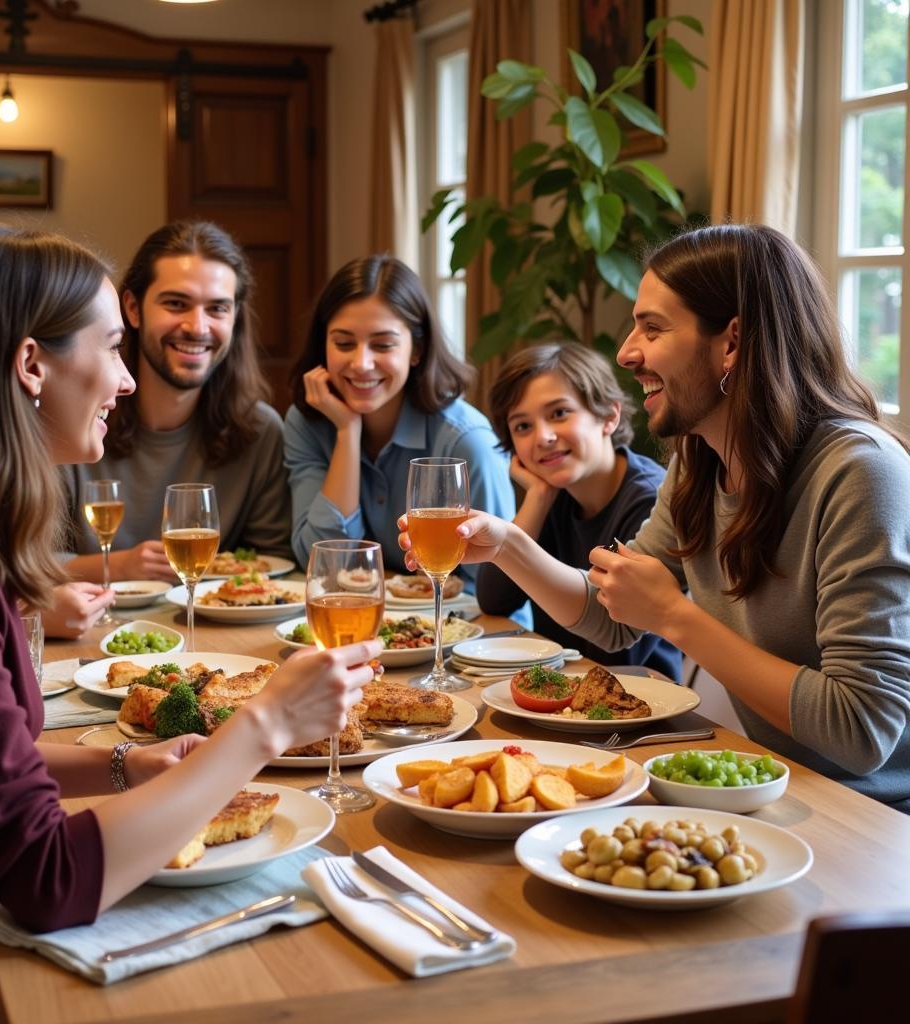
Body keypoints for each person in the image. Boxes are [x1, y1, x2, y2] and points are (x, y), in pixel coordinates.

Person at [0, 224, 380, 1023]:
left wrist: (127, 764)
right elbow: (42, 882)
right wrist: (262, 727)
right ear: (31, 365)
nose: (122, 379)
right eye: (112, 347)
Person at [400, 224, 910, 813]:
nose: (626, 352)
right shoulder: (698, 463)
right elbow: (611, 617)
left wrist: (675, 615)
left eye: (653, 327)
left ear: (733, 343)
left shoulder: (860, 473)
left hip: (871, 819)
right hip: (769, 786)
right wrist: (509, 543)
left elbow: (862, 730)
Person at [63, 220, 291, 585]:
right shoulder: (74, 423)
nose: (197, 327)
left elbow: (273, 563)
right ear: (133, 309)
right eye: (176, 304)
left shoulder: (260, 432)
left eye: (217, 308)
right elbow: (22, 564)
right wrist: (116, 568)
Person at [284, 254, 514, 586]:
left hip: (472, 631)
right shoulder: (307, 423)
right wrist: (348, 432)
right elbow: (323, 567)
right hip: (371, 623)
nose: (361, 363)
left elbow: (500, 589)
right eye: (344, 343)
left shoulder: (467, 441)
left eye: (383, 344)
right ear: (324, 346)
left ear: (416, 350)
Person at [475, 342, 680, 680]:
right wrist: (538, 497)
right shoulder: (555, 493)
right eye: (523, 426)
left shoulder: (650, 500)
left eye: (559, 413)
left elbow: (615, 648)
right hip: (560, 690)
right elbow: (493, 601)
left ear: (609, 416)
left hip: (637, 701)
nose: (543, 437)